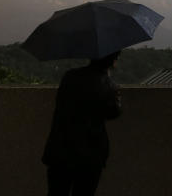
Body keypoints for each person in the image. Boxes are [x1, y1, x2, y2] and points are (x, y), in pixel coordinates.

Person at [42, 51, 122, 196]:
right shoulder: (108, 85)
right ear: (112, 60)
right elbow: (114, 113)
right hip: (90, 156)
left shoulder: (70, 77)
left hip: (60, 150)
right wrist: (111, 86)